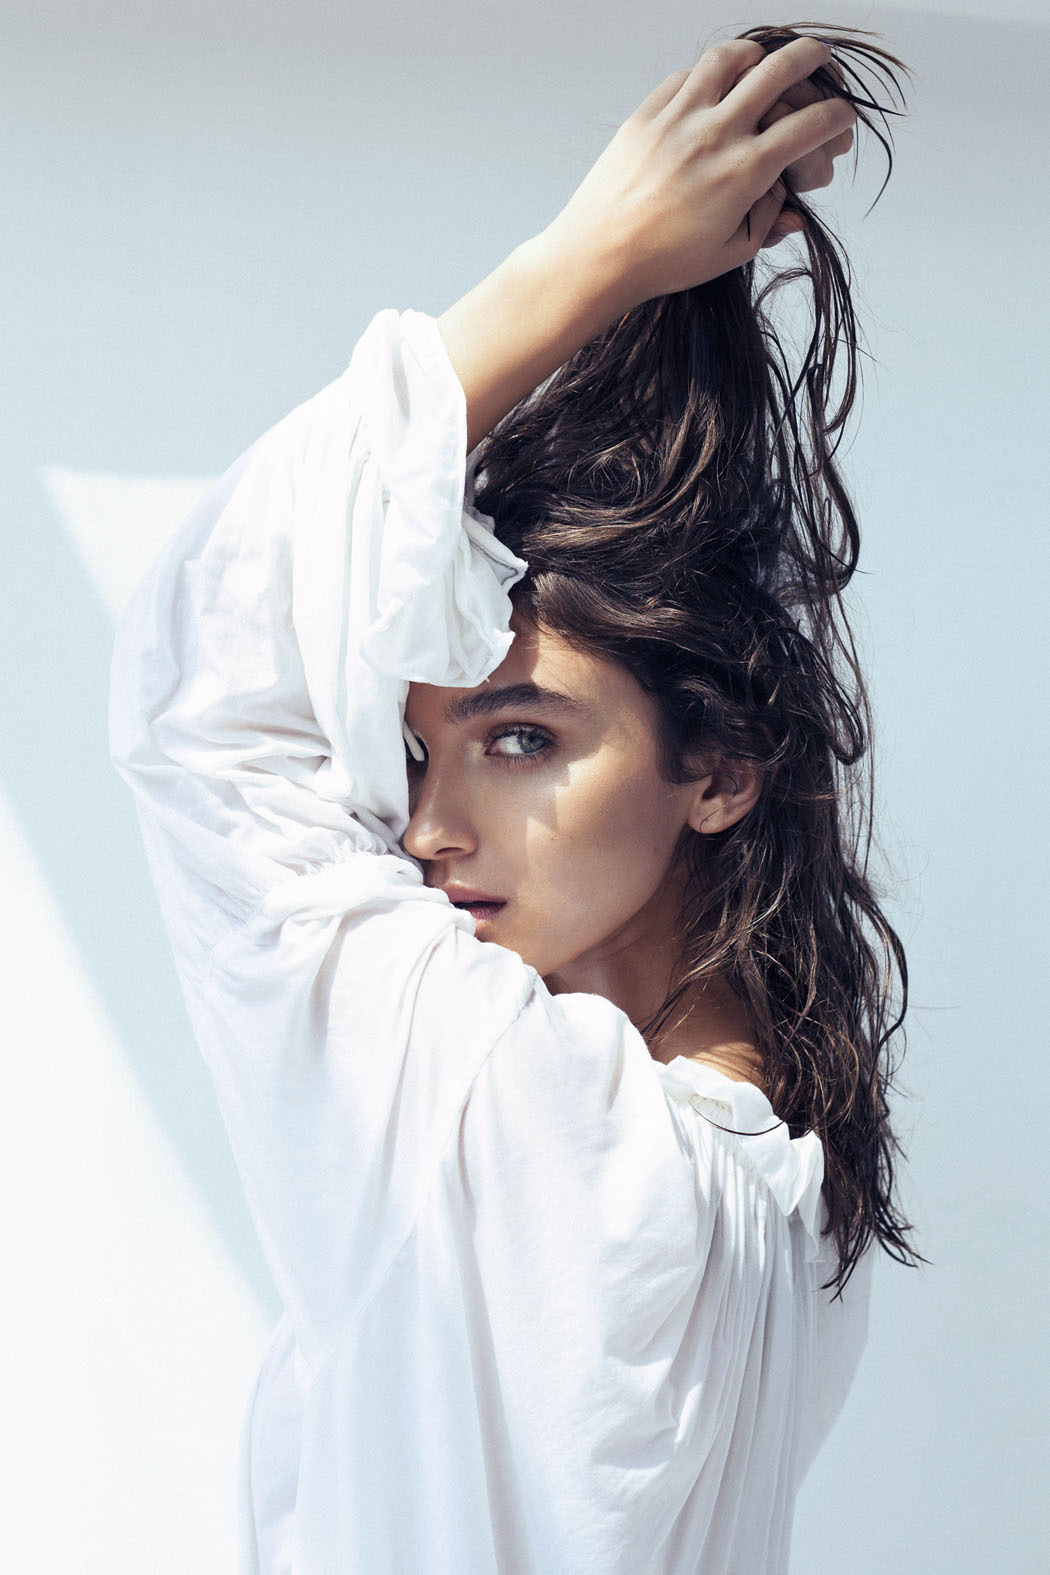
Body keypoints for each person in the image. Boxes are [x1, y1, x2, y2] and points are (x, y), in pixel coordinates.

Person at [110, 24, 918, 1575]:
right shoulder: (792, 1203)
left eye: (523, 740)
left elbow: (207, 695)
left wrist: (587, 259)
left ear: (719, 771)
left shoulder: (518, 1111)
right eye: (417, 754)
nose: (423, 830)